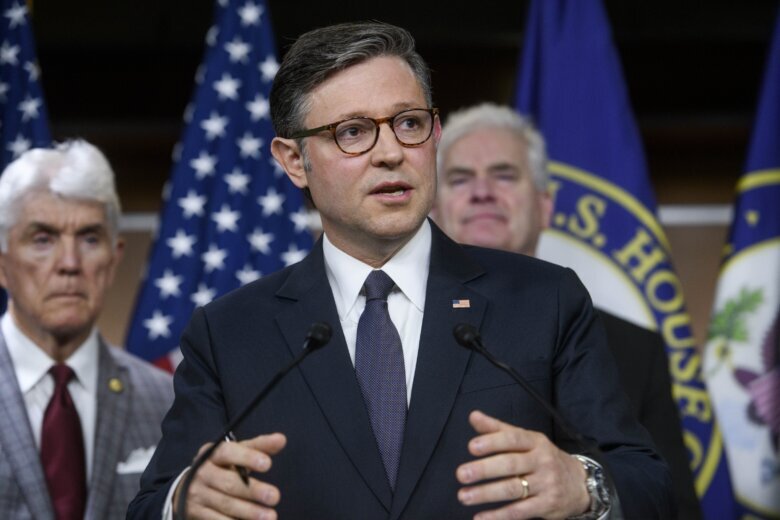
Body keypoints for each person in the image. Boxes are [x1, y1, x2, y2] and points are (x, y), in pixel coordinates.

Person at [129, 22, 673, 519]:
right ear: (294, 161)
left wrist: (584, 485)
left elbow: (649, 483)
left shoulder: (544, 300)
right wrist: (184, 502)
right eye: (353, 131)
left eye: (409, 123)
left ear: (434, 135)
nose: (390, 152)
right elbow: (150, 506)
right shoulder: (229, 333)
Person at [432, 102, 702, 519]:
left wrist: (587, 489)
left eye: (504, 175)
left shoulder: (634, 348)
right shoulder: (394, 326)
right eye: (460, 178)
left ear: (546, 206)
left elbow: (672, 506)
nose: (482, 191)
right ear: (433, 210)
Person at [0, 140, 174, 519]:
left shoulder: (166, 400)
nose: (69, 263)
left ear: (113, 260)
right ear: (2, 263)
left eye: (90, 239)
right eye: (43, 239)